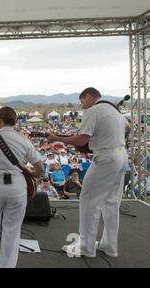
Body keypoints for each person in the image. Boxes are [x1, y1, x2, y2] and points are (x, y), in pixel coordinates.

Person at [48, 87, 129, 258]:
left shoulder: (93, 110)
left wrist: (57, 139)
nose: (82, 105)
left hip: (106, 157)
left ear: (89, 96)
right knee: (111, 202)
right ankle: (109, 246)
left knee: (88, 199)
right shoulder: (115, 111)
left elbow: (82, 139)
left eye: (82, 100)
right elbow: (127, 129)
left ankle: (86, 246)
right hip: (121, 155)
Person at [0, 107, 43, 268]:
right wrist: (32, 175)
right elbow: (40, 167)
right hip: (17, 186)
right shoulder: (24, 140)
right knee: (12, 230)